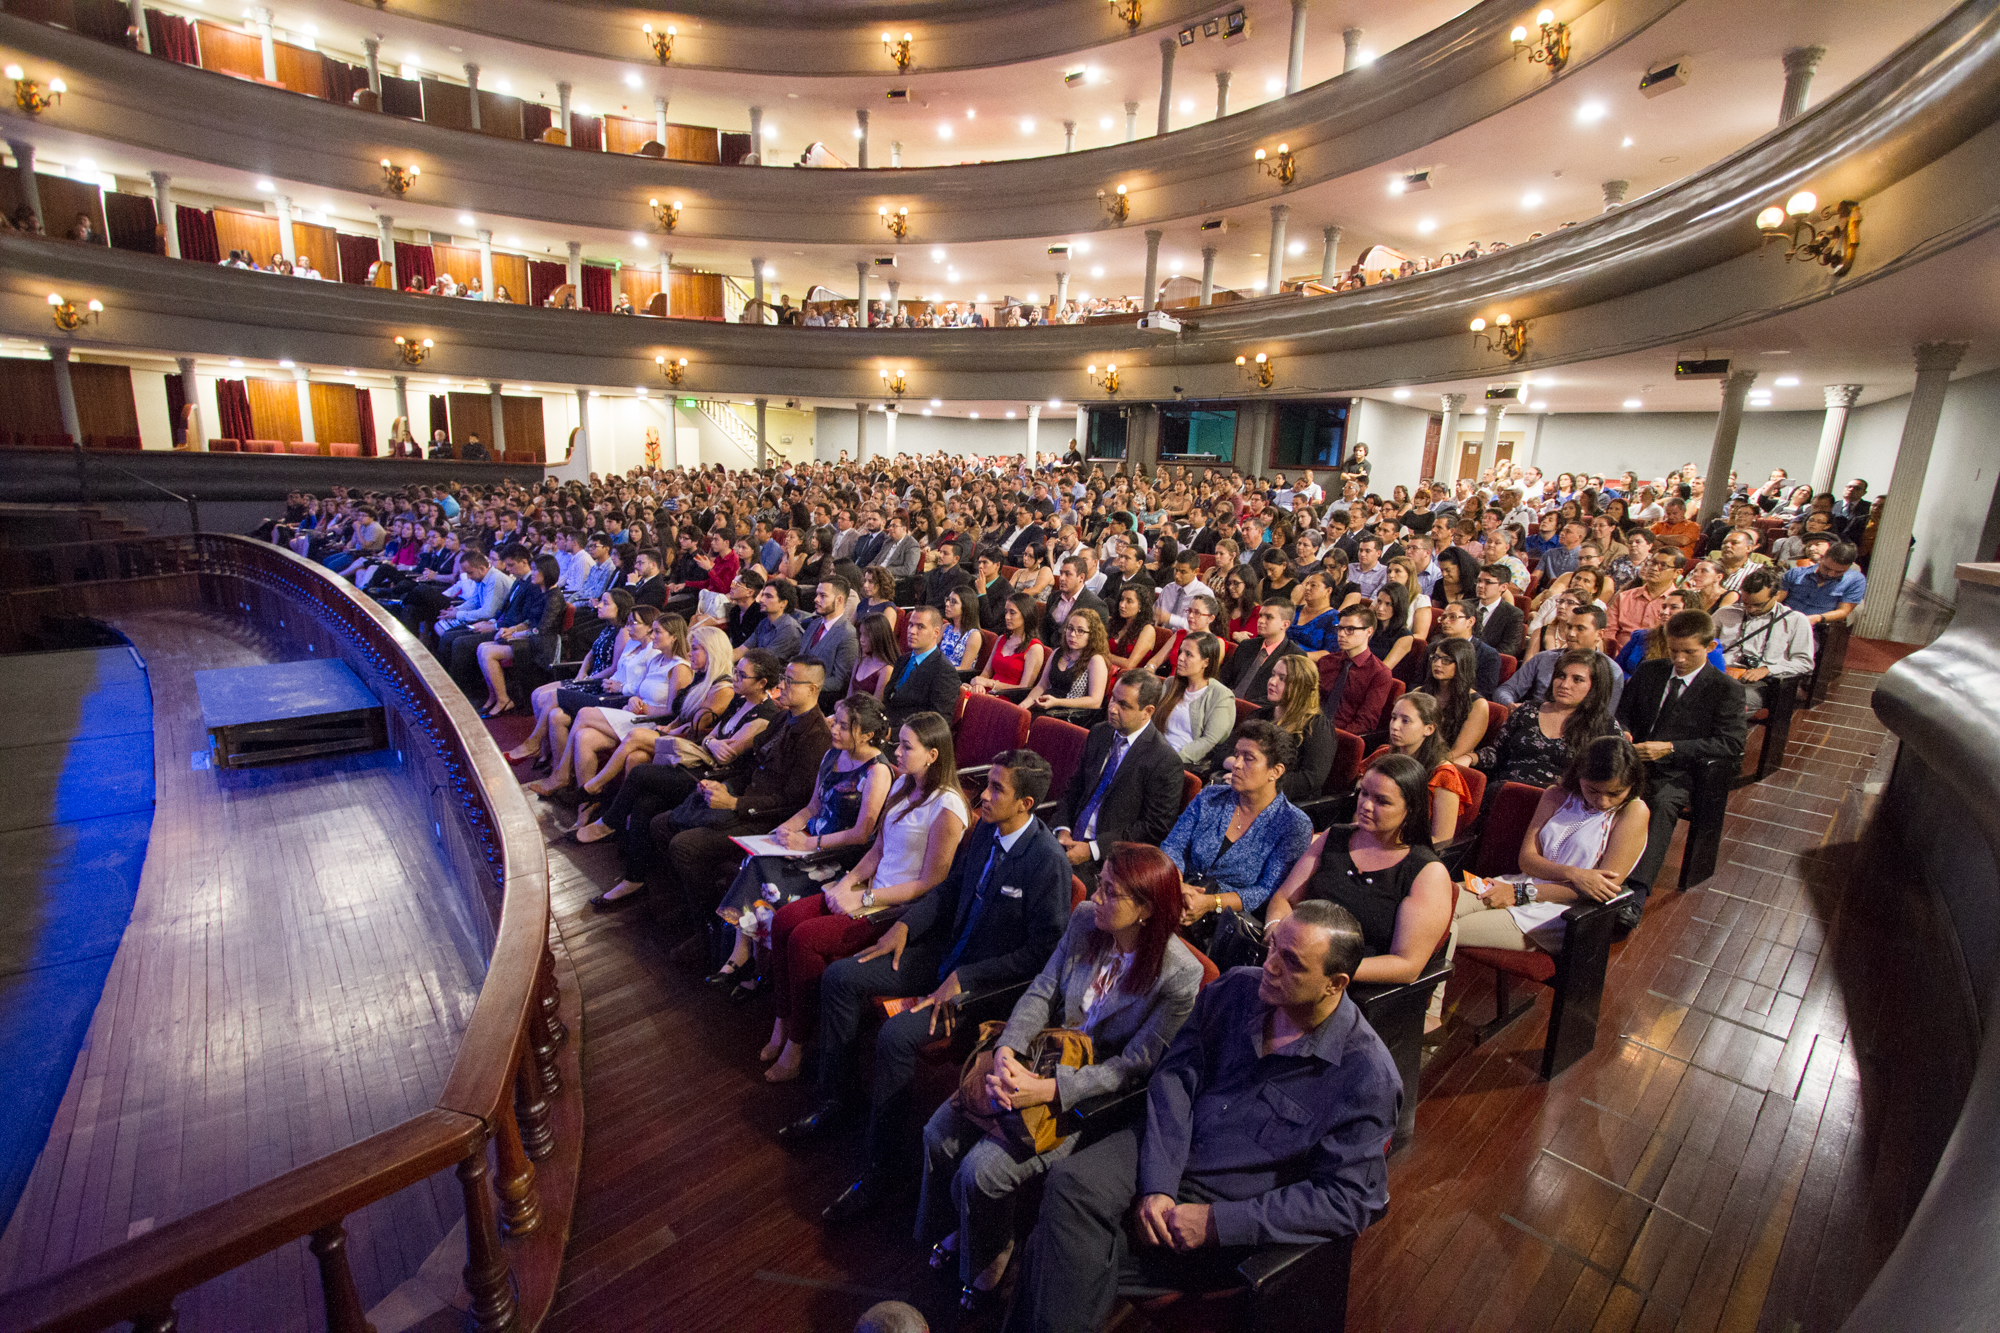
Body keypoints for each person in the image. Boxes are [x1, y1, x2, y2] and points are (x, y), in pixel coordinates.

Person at [1002, 900, 1398, 1333]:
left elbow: (1348, 1200)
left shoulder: (1366, 1075)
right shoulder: (1236, 989)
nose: (1269, 966)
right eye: (1272, 948)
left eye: (1292, 963)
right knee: (1070, 1184)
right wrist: (1158, 1184)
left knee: (1057, 1245)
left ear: (1334, 984)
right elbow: (1176, 1076)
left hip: (1231, 1200)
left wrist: (1217, 1223)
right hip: (1172, 1146)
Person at [917, 844, 1202, 1310]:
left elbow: (1132, 1066)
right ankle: (966, 1227)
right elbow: (1042, 991)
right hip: (1038, 1055)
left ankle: (993, 1254)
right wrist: (1008, 1051)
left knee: (981, 1170)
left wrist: (1048, 1089)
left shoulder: (1179, 975)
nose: (1095, 895)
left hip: (1087, 1096)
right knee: (938, 1134)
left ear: (1146, 909)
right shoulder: (1086, 919)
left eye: (1111, 891)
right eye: (1100, 882)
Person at [789, 752, 1069, 1224]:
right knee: (841, 977)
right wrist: (907, 926)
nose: (984, 795)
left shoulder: (1047, 863)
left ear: (1025, 803)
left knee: (897, 1037)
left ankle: (883, 1170)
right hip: (945, 955)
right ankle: (838, 1099)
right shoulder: (984, 830)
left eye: (997, 789)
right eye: (988, 784)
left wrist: (970, 978)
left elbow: (1043, 955)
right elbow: (947, 890)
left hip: (985, 987)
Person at [758, 710, 968, 1081]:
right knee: (784, 920)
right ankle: (781, 1021)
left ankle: (798, 1043)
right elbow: (877, 850)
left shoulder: (947, 806)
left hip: (894, 909)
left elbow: (931, 884)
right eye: (898, 743)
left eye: (906, 746)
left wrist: (867, 899)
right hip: (868, 892)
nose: (896, 752)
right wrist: (848, 883)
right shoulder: (904, 785)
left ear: (933, 755)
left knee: (805, 939)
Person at [708, 695, 895, 997]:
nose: (833, 729)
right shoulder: (832, 755)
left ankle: (751, 966)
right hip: (811, 843)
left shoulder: (877, 772)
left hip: (840, 856)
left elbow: (862, 834)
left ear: (867, 735)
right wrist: (783, 830)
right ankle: (745, 960)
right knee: (754, 860)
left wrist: (810, 842)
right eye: (835, 720)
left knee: (770, 880)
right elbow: (812, 808)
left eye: (844, 727)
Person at [1451, 735, 1650, 950]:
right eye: (1593, 790)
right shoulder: (1557, 795)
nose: (1602, 801)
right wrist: (1574, 873)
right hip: (1518, 883)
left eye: (1615, 793)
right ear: (1580, 775)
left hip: (1563, 911)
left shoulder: (1633, 812)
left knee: (1443, 929)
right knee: (1431, 910)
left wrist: (1519, 893)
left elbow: (1599, 890)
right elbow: (1527, 861)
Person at [1615, 610, 1748, 927]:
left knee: (1659, 805)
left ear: (1710, 646)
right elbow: (1622, 714)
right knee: (1592, 786)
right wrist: (1624, 731)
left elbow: (1731, 743)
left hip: (1683, 770)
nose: (1680, 659)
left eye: (1689, 652)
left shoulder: (1724, 688)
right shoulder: (1650, 672)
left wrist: (1671, 748)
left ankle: (1634, 894)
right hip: (1635, 759)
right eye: (1674, 651)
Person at [1163, 721, 1312, 936]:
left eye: (1249, 758)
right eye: (1237, 755)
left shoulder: (1293, 824)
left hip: (1226, 923)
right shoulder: (1210, 797)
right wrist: (1178, 886)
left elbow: (1264, 891)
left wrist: (1209, 903)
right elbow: (1173, 845)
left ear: (1276, 771)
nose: (1236, 764)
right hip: (1179, 894)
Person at [1050, 671, 1186, 880]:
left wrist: (1093, 850)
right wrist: (1063, 829)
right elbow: (1074, 786)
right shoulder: (1100, 733)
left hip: (1108, 861)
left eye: (1124, 705)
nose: (1112, 708)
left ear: (1147, 711)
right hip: (1066, 840)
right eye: (1113, 698)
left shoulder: (1164, 760)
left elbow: (1153, 827)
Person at [1471, 649, 1619, 794]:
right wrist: (1469, 758)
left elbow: (1607, 781)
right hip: (1505, 792)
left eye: (1577, 679)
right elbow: (1496, 753)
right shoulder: (1528, 710)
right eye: (1561, 676)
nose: (1564, 684)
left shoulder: (1605, 727)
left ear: (1595, 686)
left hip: (1559, 804)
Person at [1370, 691, 1475, 842]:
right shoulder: (1384, 755)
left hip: (1408, 849)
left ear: (1429, 729)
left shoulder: (1444, 775)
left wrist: (1392, 846)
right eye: (1394, 718)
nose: (1395, 726)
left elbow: (1441, 839)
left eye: (1405, 721)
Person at [1713, 567, 1815, 711]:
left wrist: (1767, 669)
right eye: (1746, 603)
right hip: (1721, 675)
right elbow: (1703, 644)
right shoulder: (1725, 613)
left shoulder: (1795, 620)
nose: (1751, 609)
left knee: (1728, 701)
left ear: (1776, 595)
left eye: (1758, 605)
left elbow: (1805, 663)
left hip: (1762, 683)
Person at [1497, 605, 1625, 712]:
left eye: (1580, 628)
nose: (1571, 633)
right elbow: (1506, 690)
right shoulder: (1543, 658)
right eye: (1569, 627)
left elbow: (1605, 717)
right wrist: (1510, 705)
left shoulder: (1612, 671)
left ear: (1599, 634)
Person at [1151, 631, 1234, 767]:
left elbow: (1209, 741)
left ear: (1205, 662)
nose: (1181, 658)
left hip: (1182, 762)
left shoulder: (1221, 696)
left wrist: (1171, 759)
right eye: (1181, 652)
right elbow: (1152, 722)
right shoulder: (1171, 683)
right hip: (1155, 753)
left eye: (1188, 654)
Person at [884, 605, 964, 733]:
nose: (912, 631)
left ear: (936, 633)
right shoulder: (903, 659)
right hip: (887, 727)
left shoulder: (943, 671)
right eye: (911, 625)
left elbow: (938, 724)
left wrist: (891, 734)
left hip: (908, 739)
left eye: (920, 627)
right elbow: (889, 699)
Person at [1021, 609, 1111, 719]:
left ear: (1092, 635)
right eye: (1070, 628)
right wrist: (1024, 705)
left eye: (1080, 631)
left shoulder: (1095, 660)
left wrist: (1057, 702)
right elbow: (1042, 686)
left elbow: (1095, 701)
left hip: (1069, 715)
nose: (1073, 634)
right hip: (1047, 707)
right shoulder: (1057, 652)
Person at [1321, 604, 1394, 735]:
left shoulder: (1379, 673)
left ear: (1369, 631)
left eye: (1350, 629)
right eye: (1340, 628)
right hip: (1311, 728)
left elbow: (1365, 722)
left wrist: (1332, 739)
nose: (1342, 634)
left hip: (1342, 736)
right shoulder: (1326, 661)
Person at [1415, 637, 1490, 764]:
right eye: (1436, 658)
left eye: (1446, 660)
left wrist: (1420, 764)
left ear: (1462, 663)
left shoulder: (1477, 704)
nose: (1437, 664)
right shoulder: (1419, 693)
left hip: (1442, 765)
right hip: (1412, 756)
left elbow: (1456, 753)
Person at [1218, 597, 1304, 701]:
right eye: (1260, 615)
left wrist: (1245, 706)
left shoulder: (1295, 655)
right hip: (1227, 703)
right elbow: (1223, 676)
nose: (1261, 621)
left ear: (1285, 624)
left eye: (1269, 617)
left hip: (1261, 712)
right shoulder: (1247, 645)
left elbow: (1285, 697)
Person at [797, 575, 860, 705]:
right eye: (817, 595)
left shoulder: (848, 634)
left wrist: (803, 685)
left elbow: (839, 681)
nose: (816, 599)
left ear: (839, 600)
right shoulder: (814, 624)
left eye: (823, 596)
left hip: (821, 700)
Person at [968, 593, 1046, 695]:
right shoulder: (1001, 639)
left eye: (1012, 613)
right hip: (989, 692)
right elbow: (986, 672)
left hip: (1008, 697)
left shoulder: (1035, 648)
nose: (1007, 617)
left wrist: (990, 683)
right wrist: (978, 685)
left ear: (1026, 614)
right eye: (1006, 612)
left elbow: (1023, 688)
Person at [1778, 541, 1866, 628]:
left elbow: (1843, 611)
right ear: (1822, 558)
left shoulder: (1855, 580)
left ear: (1849, 566)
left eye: (1839, 572)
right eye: (1826, 568)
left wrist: (1818, 618)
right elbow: (1778, 598)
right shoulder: (1796, 573)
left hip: (1819, 627)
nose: (1831, 574)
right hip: (1785, 621)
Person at [1431, 598, 1502, 697]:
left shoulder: (1488, 655)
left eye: (1453, 617)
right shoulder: (1432, 647)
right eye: (1444, 617)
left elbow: (1483, 693)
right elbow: (1418, 682)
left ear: (1470, 621)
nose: (1446, 621)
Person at [1037, 556, 1108, 648]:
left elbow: (1096, 642)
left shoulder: (1096, 605)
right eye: (1061, 573)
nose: (1061, 578)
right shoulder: (1054, 597)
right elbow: (1044, 629)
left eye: (1067, 574)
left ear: (1081, 577)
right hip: (1047, 649)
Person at [1470, 564, 1526, 659]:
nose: (1480, 586)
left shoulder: (1513, 614)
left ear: (1503, 587)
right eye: (1479, 581)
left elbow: (1509, 649)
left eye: (1488, 582)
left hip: (1487, 662)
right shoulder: (1463, 606)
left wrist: (1477, 657)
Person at [848, 612, 901, 702]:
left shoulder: (886, 670)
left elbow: (875, 707)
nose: (861, 639)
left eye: (867, 635)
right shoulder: (860, 661)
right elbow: (849, 695)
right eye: (861, 634)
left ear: (879, 637)